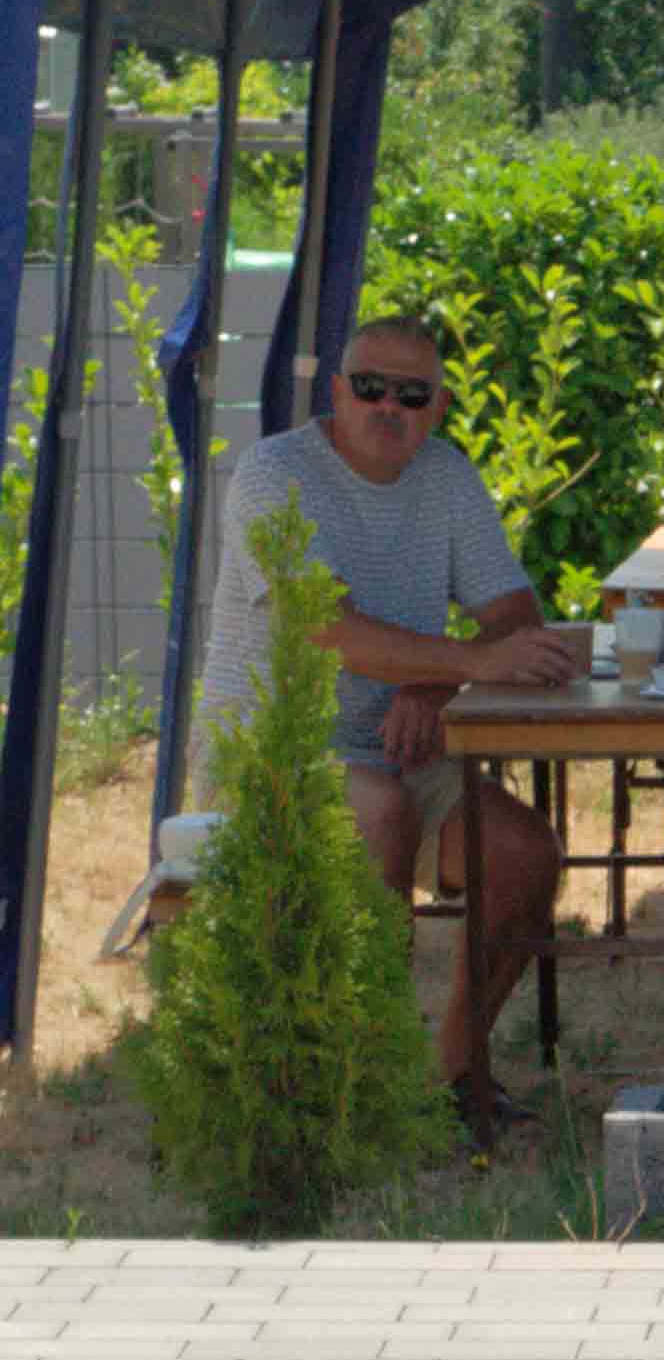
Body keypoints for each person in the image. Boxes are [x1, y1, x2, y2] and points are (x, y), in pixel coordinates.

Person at [213, 316, 577, 1136]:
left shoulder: (445, 475)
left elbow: (514, 614)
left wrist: (438, 685)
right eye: (370, 386)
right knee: (378, 808)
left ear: (438, 407)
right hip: (273, 753)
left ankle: (451, 1078)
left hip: (405, 752)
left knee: (525, 852)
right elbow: (323, 624)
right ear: (335, 393)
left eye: (411, 394)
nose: (388, 406)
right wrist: (466, 665)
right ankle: (360, 1081)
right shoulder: (272, 475)